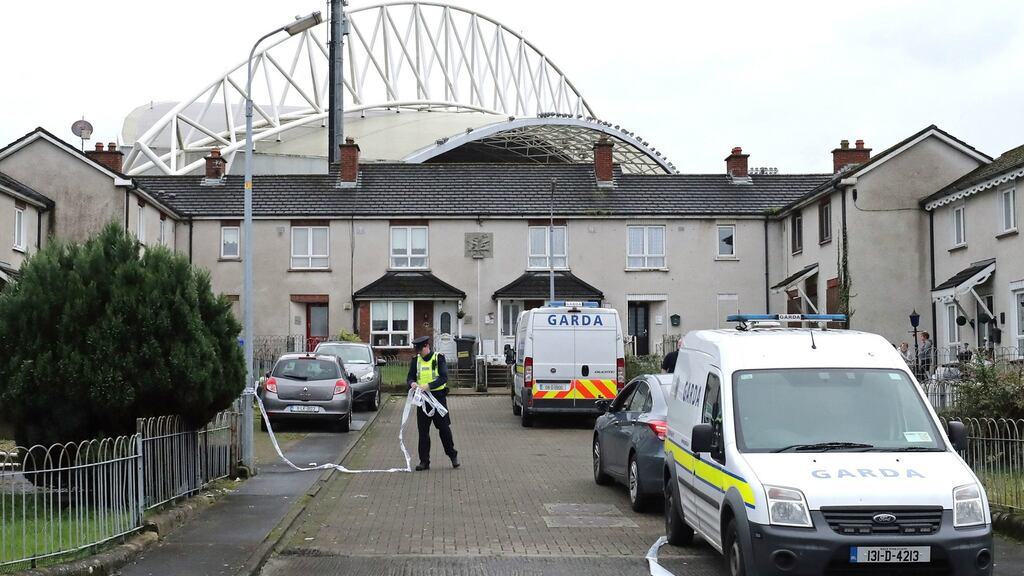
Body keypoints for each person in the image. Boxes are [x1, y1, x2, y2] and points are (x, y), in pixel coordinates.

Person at [408, 336, 459, 471]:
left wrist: (428, 386)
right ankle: (424, 461)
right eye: (417, 350)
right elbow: (410, 377)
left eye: (420, 349)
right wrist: (412, 383)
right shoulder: (416, 360)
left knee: (444, 429)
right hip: (422, 400)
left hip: (438, 398)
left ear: (426, 346)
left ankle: (452, 455)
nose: (418, 352)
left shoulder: (438, 358)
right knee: (423, 432)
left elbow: (443, 378)